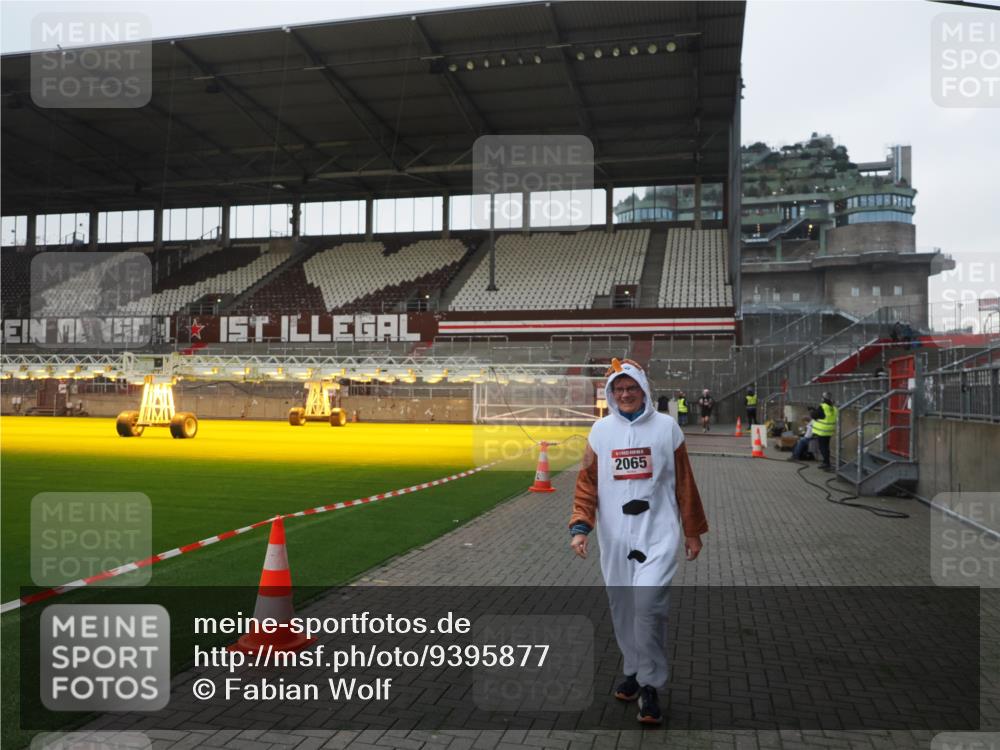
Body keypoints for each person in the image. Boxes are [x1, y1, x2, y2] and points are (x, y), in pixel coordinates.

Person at [569, 358, 708, 725]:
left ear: (643, 389)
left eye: (631, 387)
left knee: (648, 608)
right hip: (614, 538)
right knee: (623, 608)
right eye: (619, 389)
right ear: (611, 393)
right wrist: (581, 526)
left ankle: (650, 685)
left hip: (657, 534)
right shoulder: (600, 431)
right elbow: (586, 483)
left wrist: (692, 530)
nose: (625, 394)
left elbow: (685, 483)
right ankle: (632, 669)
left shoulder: (667, 429)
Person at [810, 392, 838, 471]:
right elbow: (825, 416)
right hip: (829, 431)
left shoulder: (823, 407)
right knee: (826, 447)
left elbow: (814, 415)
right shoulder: (834, 408)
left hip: (822, 431)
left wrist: (812, 411)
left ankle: (826, 463)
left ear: (823, 399)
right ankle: (826, 462)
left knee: (823, 447)